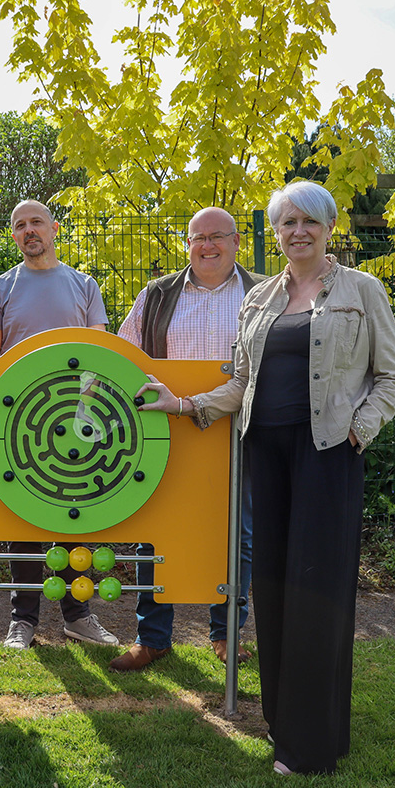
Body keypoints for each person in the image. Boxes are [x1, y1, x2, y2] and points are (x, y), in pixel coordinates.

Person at [135, 181, 395, 775]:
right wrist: (184, 404)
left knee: (319, 595)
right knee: (277, 591)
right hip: (266, 455)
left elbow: (391, 377)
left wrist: (358, 431)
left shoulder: (362, 290)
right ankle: (285, 725)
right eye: (287, 223)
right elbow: (241, 383)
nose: (298, 232)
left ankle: (311, 745)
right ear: (276, 232)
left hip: (327, 454)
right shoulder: (259, 298)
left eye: (309, 221)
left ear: (329, 228)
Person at [109, 206, 263, 672]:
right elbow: (125, 354)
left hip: (240, 429)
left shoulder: (265, 292)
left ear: (237, 241)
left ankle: (226, 633)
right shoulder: (156, 295)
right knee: (154, 534)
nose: (207, 245)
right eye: (198, 237)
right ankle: (152, 638)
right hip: (166, 429)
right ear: (188, 244)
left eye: (218, 236)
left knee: (238, 534)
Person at [0, 199, 120, 650]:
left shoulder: (84, 285)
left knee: (76, 512)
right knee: (23, 516)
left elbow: (99, 355)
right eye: (20, 225)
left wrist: (88, 415)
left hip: (76, 420)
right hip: (20, 421)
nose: (29, 230)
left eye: (36, 222)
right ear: (14, 236)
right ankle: (22, 621)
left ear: (54, 229)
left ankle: (79, 616)